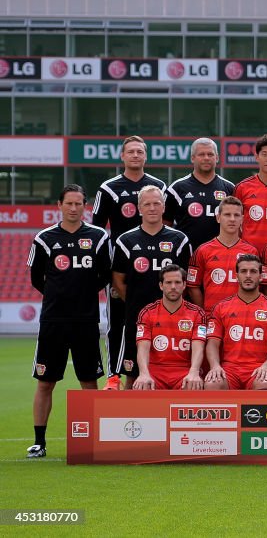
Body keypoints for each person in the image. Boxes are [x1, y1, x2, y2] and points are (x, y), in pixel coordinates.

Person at [26, 185, 110, 458]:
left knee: (88, 381)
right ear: (59, 204)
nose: (73, 209)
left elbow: (104, 275)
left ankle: (92, 440)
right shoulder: (44, 238)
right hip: (54, 320)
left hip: (86, 320)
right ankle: (40, 441)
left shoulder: (98, 237)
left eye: (78, 204)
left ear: (85, 206)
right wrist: (58, 296)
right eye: (69, 203)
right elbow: (37, 278)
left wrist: (81, 296)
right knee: (45, 382)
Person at [92, 135, 166, 390]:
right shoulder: (109, 188)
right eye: (131, 151)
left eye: (139, 151)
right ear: (122, 156)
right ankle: (114, 375)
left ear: (146, 156)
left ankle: (158, 371)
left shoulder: (158, 186)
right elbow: (97, 232)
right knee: (118, 323)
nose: (135, 155)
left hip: (155, 267)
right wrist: (105, 270)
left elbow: (168, 227)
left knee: (161, 320)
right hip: (121, 268)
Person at [111, 185, 191, 387]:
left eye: (157, 203)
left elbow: (186, 279)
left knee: (175, 373)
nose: (152, 208)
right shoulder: (125, 241)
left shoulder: (179, 240)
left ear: (164, 207)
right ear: (139, 209)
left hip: (173, 321)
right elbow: (118, 280)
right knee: (133, 375)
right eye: (147, 204)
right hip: (137, 319)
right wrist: (135, 304)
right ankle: (129, 419)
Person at [205, 254, 267, 390]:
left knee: (263, 384)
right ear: (236, 276)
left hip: (258, 368)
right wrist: (215, 366)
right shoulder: (221, 307)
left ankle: (254, 413)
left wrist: (266, 366)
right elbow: (212, 343)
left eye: (253, 271)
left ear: (261, 276)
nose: (248, 275)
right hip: (229, 369)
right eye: (243, 271)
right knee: (213, 384)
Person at [132, 264, 207, 391]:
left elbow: (198, 347)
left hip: (184, 370)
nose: (173, 287)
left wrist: (194, 372)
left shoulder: (197, 313)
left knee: (193, 385)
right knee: (143, 386)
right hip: (155, 371)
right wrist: (144, 373)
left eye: (177, 282)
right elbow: (142, 347)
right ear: (161, 285)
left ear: (184, 285)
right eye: (168, 282)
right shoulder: (147, 312)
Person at [186, 196, 261, 312]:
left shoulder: (251, 251)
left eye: (236, 215)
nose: (232, 219)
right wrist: (204, 311)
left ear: (242, 219)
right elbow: (192, 286)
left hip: (242, 314)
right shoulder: (203, 250)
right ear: (218, 218)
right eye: (227, 215)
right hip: (212, 317)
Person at [163, 137, 235, 248]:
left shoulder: (230, 189)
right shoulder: (177, 188)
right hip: (186, 255)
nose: (206, 158)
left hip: (220, 255)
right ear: (192, 158)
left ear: (217, 158)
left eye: (210, 154)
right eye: (201, 154)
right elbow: (165, 225)